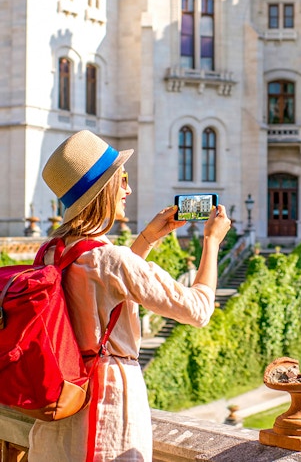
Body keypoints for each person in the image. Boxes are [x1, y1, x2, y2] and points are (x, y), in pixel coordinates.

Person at [28, 130, 231, 462]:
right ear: (104, 190)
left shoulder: (52, 251)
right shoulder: (113, 260)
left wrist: (147, 239)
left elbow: (104, 289)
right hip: (105, 401)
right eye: (122, 180)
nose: (128, 189)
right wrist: (211, 242)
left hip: (60, 400)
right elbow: (199, 309)